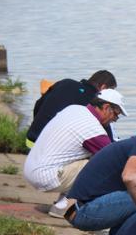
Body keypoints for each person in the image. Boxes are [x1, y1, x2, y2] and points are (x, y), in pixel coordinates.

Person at [23, 89, 128, 217]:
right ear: (106, 107)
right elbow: (115, 159)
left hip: (30, 167)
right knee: (102, 167)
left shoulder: (74, 109)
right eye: (116, 115)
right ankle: (63, 206)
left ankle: (63, 201)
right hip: (44, 176)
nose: (115, 120)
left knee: (93, 157)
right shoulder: (93, 129)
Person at [27, 70, 118, 145]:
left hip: (30, 139)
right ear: (103, 87)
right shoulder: (95, 102)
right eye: (111, 91)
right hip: (47, 145)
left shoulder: (65, 83)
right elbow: (106, 138)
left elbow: (38, 105)